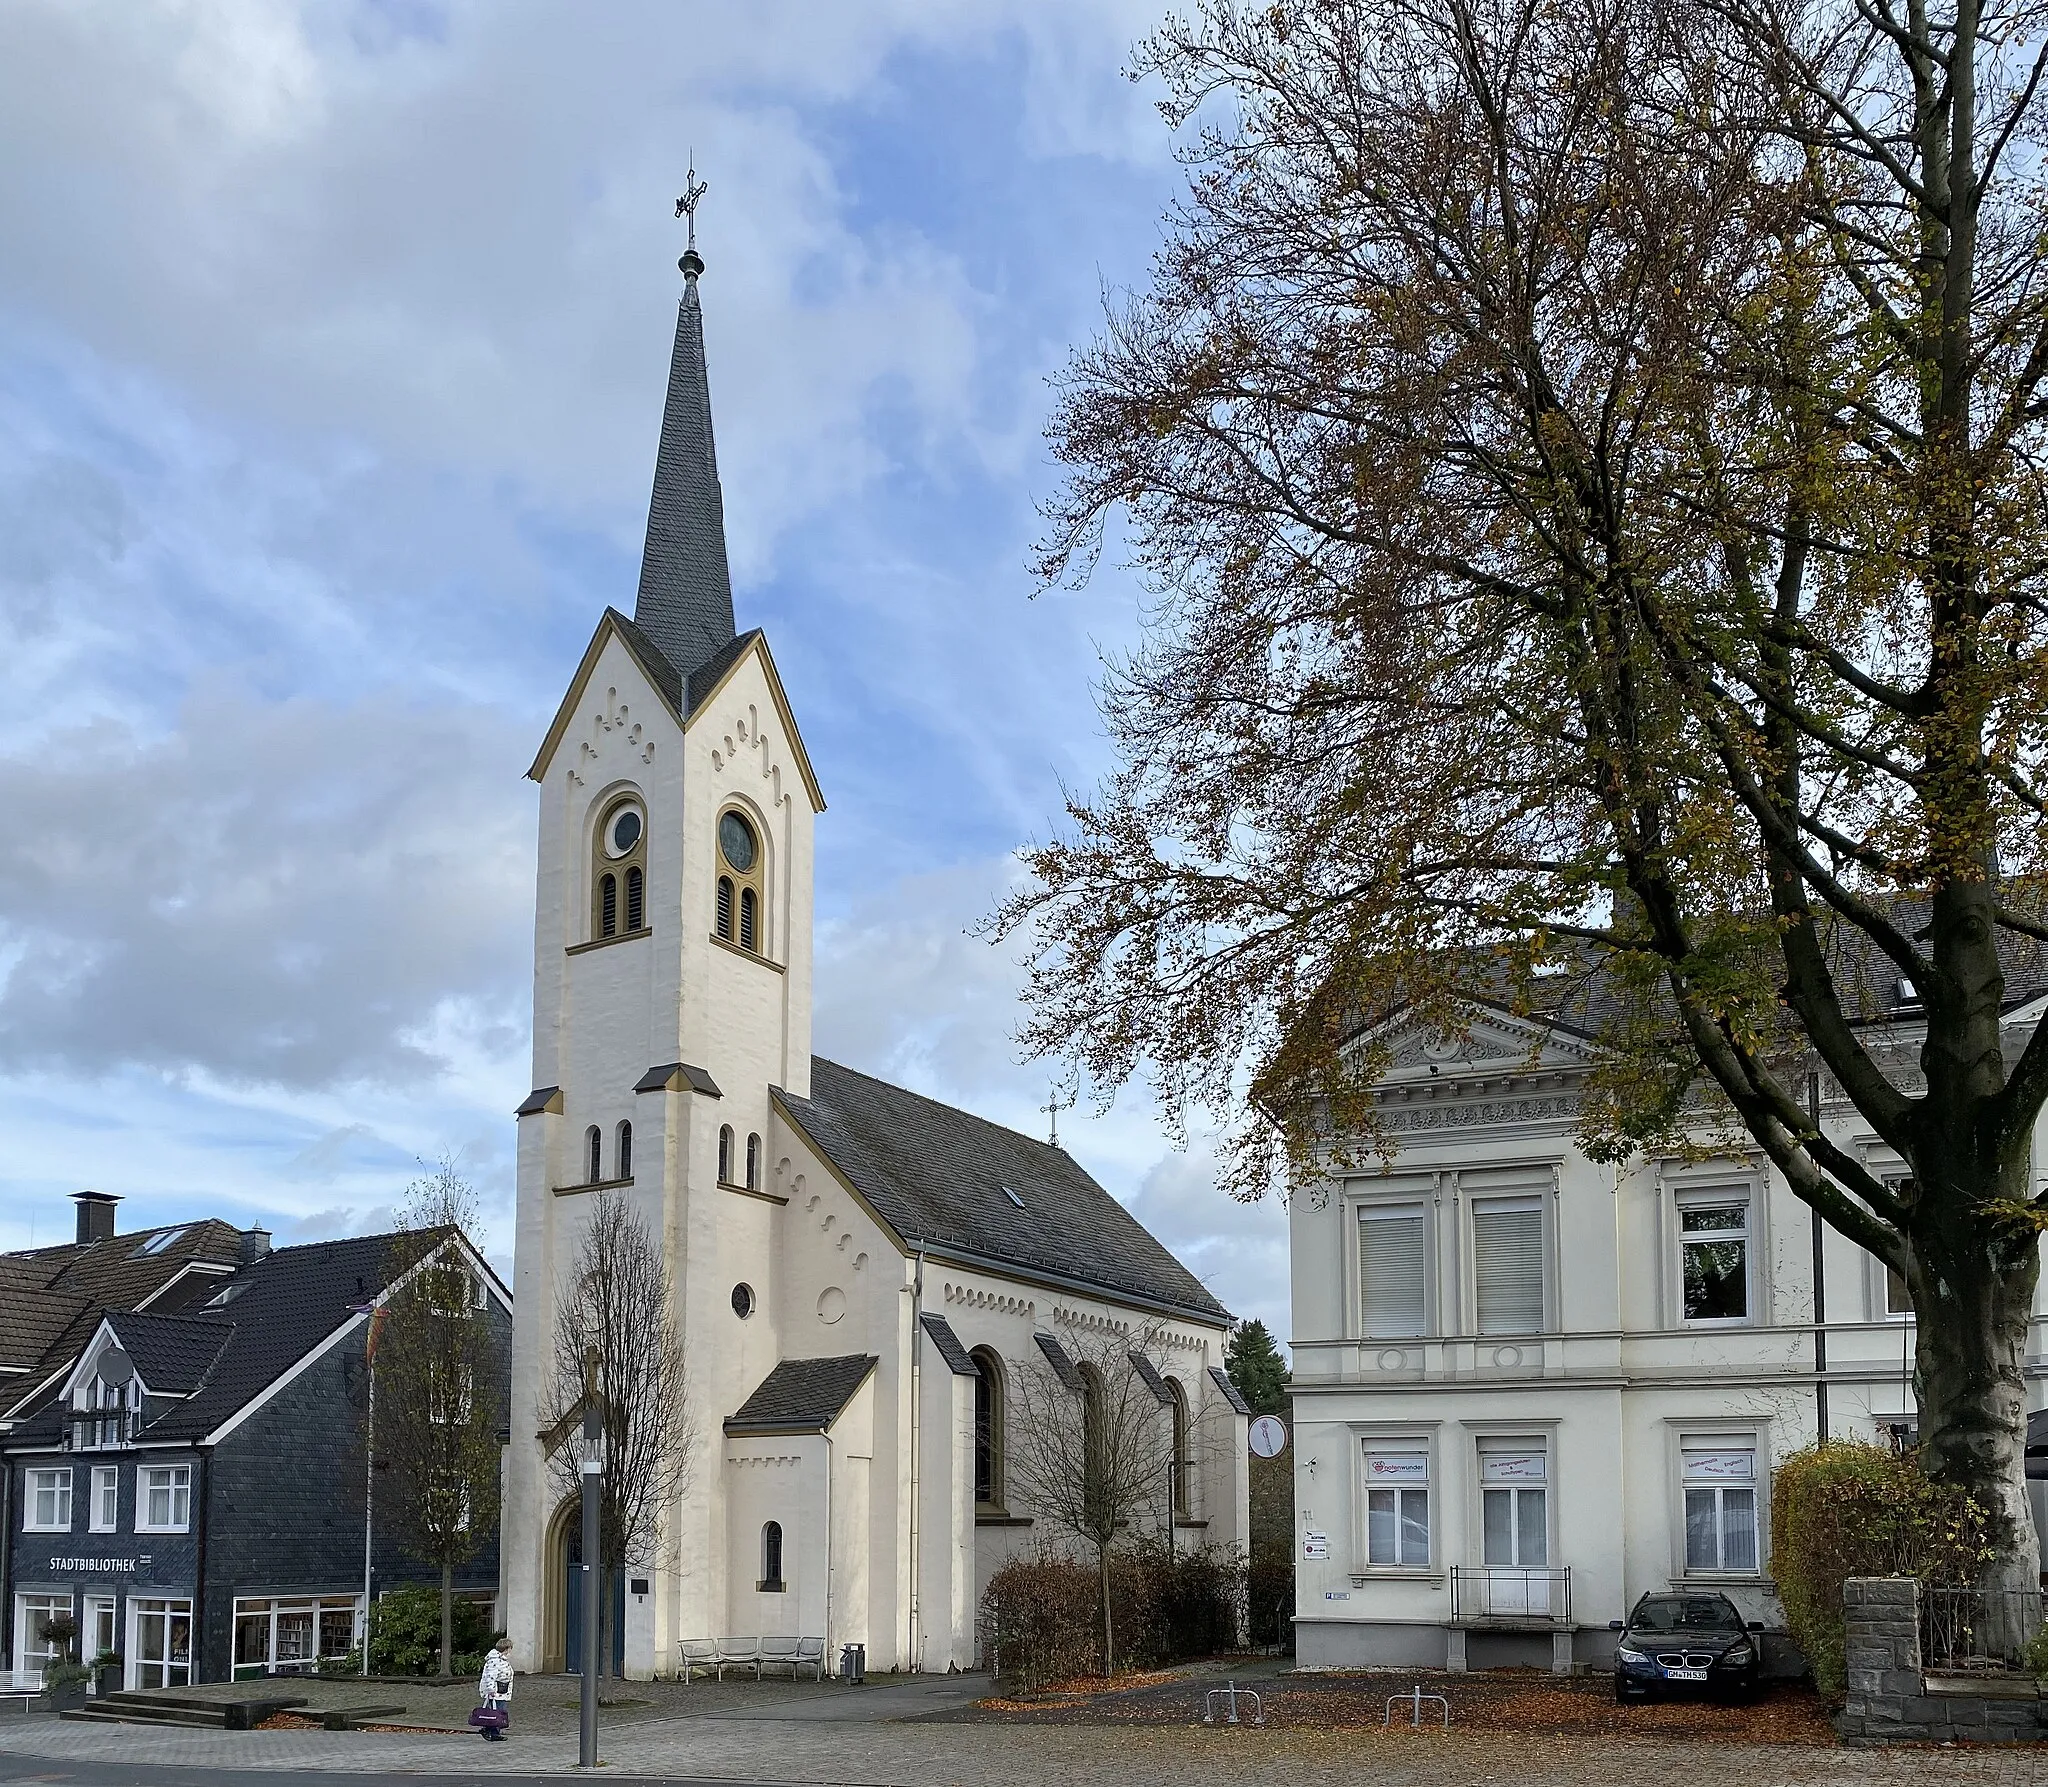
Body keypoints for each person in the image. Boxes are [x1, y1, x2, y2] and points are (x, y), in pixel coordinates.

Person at [476, 1637, 514, 1741]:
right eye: (510, 1648)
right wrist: (491, 1690)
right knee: (497, 1712)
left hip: (502, 1691)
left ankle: (490, 1730)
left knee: (496, 1711)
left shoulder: (502, 1660)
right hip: (496, 1692)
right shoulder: (495, 1661)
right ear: (506, 1648)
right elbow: (490, 1676)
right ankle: (493, 1732)